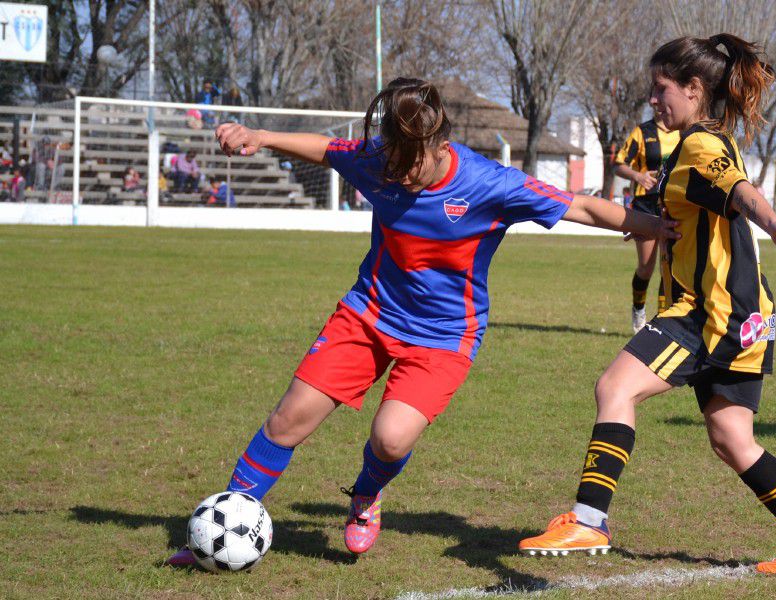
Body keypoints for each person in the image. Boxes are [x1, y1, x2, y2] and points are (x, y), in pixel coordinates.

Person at [166, 77, 678, 565]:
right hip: (367, 313)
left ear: (438, 148)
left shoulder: (488, 184)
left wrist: (654, 226)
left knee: (390, 439)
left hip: (444, 337)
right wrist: (259, 136)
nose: (397, 174)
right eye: (390, 160)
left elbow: (582, 207)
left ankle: (366, 493)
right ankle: (220, 527)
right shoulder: (380, 160)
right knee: (287, 421)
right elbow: (325, 149)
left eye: (409, 164)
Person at [518, 35, 776, 577]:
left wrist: (774, 224)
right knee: (732, 439)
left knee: (615, 388)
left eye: (660, 89)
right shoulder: (698, 141)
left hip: (711, 312)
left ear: (694, 90)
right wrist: (667, 230)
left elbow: (740, 190)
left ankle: (589, 518)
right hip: (746, 314)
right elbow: (713, 203)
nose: (652, 100)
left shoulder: (700, 144)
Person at [614, 114, 680, 333]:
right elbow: (618, 165)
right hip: (645, 205)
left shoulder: (684, 131)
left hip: (672, 205)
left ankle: (662, 319)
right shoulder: (642, 132)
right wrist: (638, 176)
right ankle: (638, 308)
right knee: (646, 267)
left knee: (667, 266)